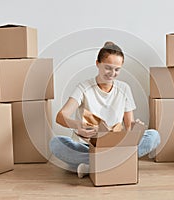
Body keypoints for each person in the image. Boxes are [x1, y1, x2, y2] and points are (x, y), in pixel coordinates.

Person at [49, 41, 160, 178]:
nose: (112, 73)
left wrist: (136, 129)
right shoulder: (83, 87)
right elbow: (61, 116)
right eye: (108, 68)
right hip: (88, 147)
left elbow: (128, 125)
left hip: (115, 146)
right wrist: (77, 125)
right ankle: (111, 163)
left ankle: (92, 166)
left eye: (117, 69)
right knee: (56, 144)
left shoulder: (124, 88)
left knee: (153, 136)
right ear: (97, 64)